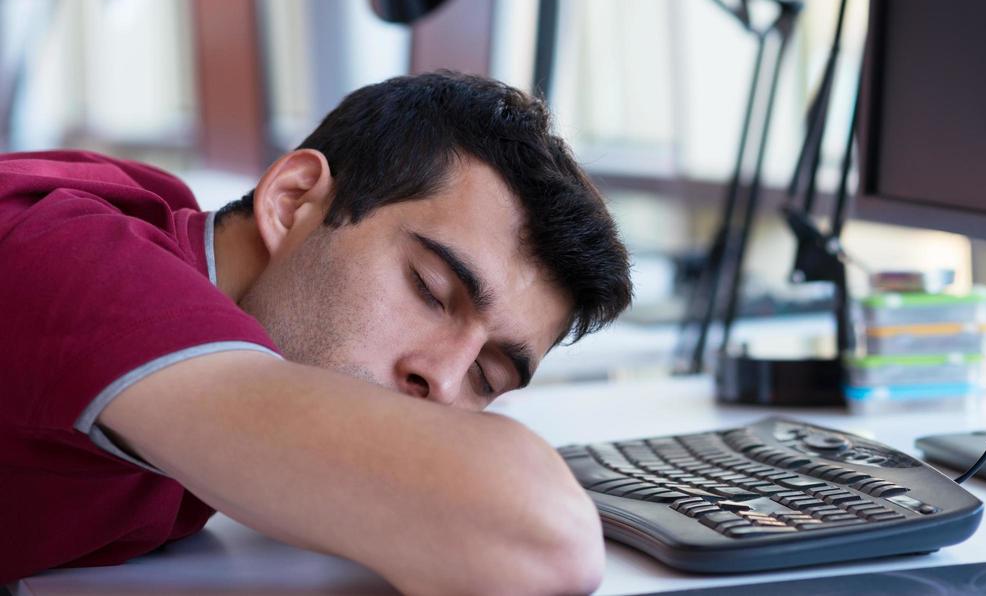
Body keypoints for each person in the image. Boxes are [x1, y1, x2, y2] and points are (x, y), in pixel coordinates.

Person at [0, 71, 632, 594]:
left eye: (486, 375)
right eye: (430, 291)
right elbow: (541, 538)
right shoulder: (79, 258)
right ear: (293, 201)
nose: (441, 381)